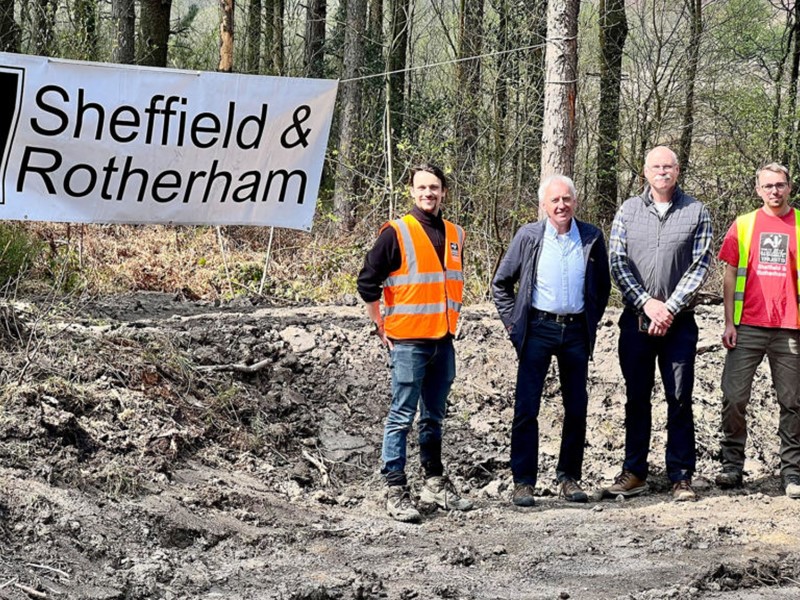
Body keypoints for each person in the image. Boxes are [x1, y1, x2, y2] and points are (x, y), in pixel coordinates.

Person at [357, 163, 473, 522]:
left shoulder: (456, 234)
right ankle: (395, 489)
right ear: (411, 191)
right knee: (401, 416)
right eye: (422, 187)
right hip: (407, 340)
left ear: (444, 192)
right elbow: (367, 282)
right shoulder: (396, 232)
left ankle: (434, 482)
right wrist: (380, 324)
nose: (428, 194)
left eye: (434, 187)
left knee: (434, 417)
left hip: (443, 339)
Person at [492, 175, 611, 506]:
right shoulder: (529, 236)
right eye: (554, 200)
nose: (561, 205)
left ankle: (569, 478)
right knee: (527, 407)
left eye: (567, 199)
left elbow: (602, 288)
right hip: (537, 329)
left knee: (576, 407)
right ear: (543, 205)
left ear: (575, 201)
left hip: (575, 331)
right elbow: (501, 284)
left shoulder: (591, 237)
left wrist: (589, 320)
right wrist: (515, 326)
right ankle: (524, 482)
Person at [608, 145, 713, 501]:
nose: (662, 172)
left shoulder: (696, 211)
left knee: (680, 397)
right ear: (645, 171)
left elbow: (700, 265)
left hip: (679, 323)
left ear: (677, 170)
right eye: (656, 166)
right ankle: (635, 471)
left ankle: (680, 475)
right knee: (637, 397)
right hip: (635, 320)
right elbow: (617, 262)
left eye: (668, 166)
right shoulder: (628, 210)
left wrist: (668, 307)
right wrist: (646, 303)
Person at [716, 163, 800, 499]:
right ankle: (731, 465)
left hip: (790, 328)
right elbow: (729, 274)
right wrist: (728, 322)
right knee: (734, 396)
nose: (774, 192)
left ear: (790, 187)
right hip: (747, 325)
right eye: (768, 186)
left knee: (792, 403)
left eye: (780, 185)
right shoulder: (744, 224)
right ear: (757, 189)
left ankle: (792, 472)